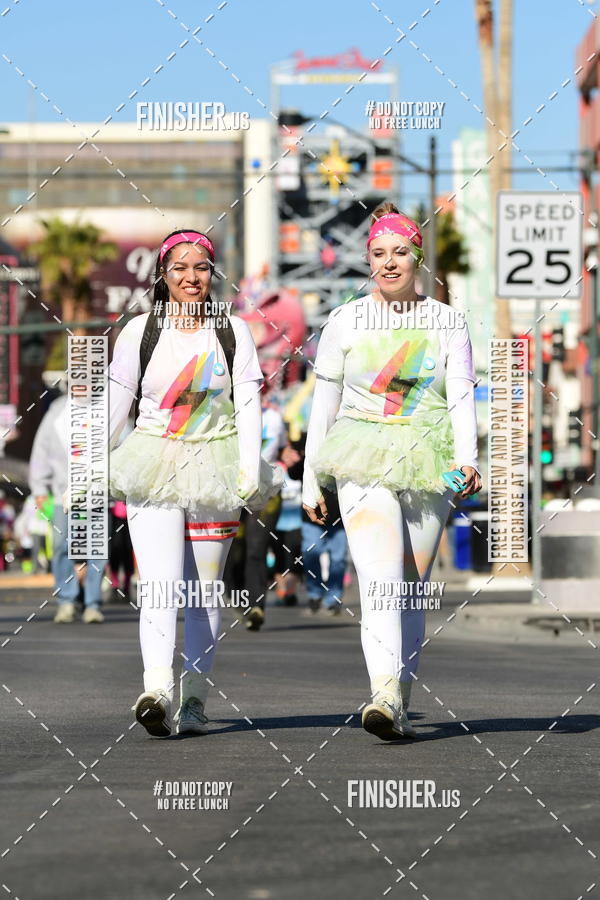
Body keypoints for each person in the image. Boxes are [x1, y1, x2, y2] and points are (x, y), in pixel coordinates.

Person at [302, 203, 482, 741]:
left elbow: (461, 397)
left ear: (417, 257)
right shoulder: (345, 320)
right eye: (378, 253)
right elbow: (322, 404)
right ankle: (382, 693)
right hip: (361, 455)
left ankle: (398, 698)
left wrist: (467, 460)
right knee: (379, 582)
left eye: (400, 252)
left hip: (431, 458)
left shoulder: (447, 320)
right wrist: (314, 479)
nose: (389, 262)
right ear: (368, 260)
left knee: (409, 587)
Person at [107, 229, 282, 737]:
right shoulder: (141, 331)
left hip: (217, 466)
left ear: (213, 272)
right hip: (152, 465)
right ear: (163, 274)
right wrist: (91, 466)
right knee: (159, 584)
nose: (191, 277)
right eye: (179, 267)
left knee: (204, 592)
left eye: (201, 267)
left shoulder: (233, 331)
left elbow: (248, 401)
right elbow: (117, 410)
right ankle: (157, 690)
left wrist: (250, 467)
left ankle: (195, 700)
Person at [29, 395, 108, 623]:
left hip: (97, 493)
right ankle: (66, 601)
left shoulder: (107, 406)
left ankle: (92, 603)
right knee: (61, 547)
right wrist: (39, 487)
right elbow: (41, 452)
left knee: (97, 550)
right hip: (62, 494)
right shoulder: (56, 411)